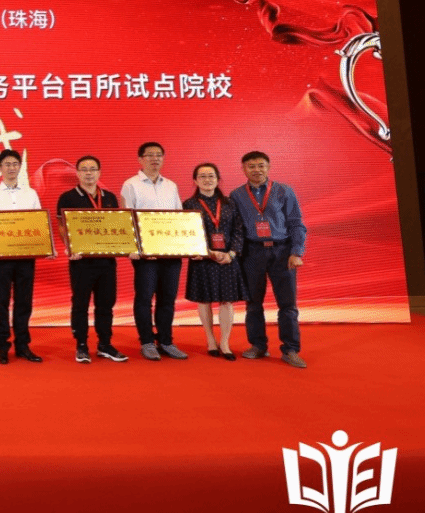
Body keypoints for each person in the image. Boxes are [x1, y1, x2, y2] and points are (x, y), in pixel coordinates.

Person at [229, 151, 308, 368]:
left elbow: (296, 223)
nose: (257, 170)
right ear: (243, 169)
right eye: (251, 166)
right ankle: (258, 345)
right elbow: (235, 228)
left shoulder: (284, 190)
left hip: (282, 252)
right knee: (253, 304)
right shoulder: (236, 195)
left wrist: (296, 252)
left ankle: (290, 349)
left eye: (261, 165)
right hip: (251, 253)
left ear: (269, 167)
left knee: (288, 304)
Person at [57, 155, 128, 364]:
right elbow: (62, 226)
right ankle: (81, 345)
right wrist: (70, 247)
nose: (89, 173)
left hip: (106, 261)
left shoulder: (109, 197)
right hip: (81, 261)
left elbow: (118, 226)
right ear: (77, 173)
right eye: (84, 169)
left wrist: (125, 247)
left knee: (106, 304)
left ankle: (105, 344)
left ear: (99, 172)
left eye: (93, 169)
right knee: (80, 304)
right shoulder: (67, 197)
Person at [121, 142, 187, 361]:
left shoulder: (171, 185)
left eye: (159, 155)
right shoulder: (131, 185)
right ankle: (147, 342)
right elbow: (126, 218)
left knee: (168, 298)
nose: (155, 159)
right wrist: (133, 248)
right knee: (144, 297)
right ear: (140, 159)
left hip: (170, 252)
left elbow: (180, 217)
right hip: (145, 254)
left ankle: (166, 341)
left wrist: (185, 246)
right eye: (150, 155)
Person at [0, 149, 44, 363]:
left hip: (26, 256)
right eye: (7, 164)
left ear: (20, 167)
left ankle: (23, 345)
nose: (11, 168)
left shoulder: (30, 194)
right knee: (2, 301)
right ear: (0, 168)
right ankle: (2, 346)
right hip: (1, 258)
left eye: (15, 164)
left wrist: (45, 246)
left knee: (24, 301)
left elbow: (38, 224)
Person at [183, 163, 245, 360]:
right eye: (202, 176)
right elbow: (186, 232)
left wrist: (231, 254)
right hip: (202, 258)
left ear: (218, 179)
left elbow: (238, 230)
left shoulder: (230, 203)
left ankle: (225, 342)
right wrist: (207, 252)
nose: (207, 180)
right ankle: (210, 339)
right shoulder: (188, 204)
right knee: (204, 300)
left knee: (227, 301)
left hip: (227, 259)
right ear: (195, 180)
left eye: (211, 176)